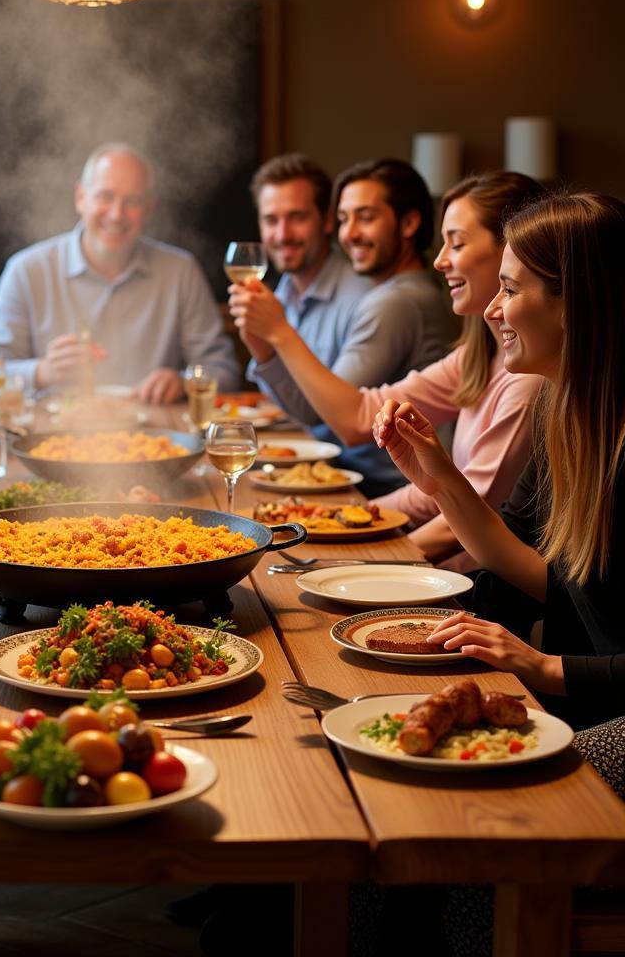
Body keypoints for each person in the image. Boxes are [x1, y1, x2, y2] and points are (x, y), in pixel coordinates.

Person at [373, 190, 625, 743]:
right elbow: (527, 563)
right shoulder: (564, 413)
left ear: (575, 303)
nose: (492, 309)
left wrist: (543, 667)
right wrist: (441, 481)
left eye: (509, 290)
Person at [237, 170, 545, 567]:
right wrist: (330, 521)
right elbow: (436, 487)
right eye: (344, 218)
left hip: (469, 589)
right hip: (436, 553)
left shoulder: (526, 377)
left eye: (458, 243)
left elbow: (470, 514)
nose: (440, 260)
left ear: (512, 252)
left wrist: (368, 559)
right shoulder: (479, 352)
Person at [230, 158, 456, 496]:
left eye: (365, 218)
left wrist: (277, 332)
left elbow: (343, 422)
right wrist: (265, 346)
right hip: (376, 479)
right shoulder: (398, 293)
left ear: (409, 223)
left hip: (387, 487)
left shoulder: (396, 302)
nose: (348, 234)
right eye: (344, 219)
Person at [0, 142, 240, 403]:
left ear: (149, 209)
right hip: (50, 437)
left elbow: (224, 371)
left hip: (156, 437)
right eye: (105, 196)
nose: (116, 214)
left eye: (133, 201)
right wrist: (42, 372)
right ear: (81, 197)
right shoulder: (26, 270)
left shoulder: (180, 271)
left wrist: (183, 382)